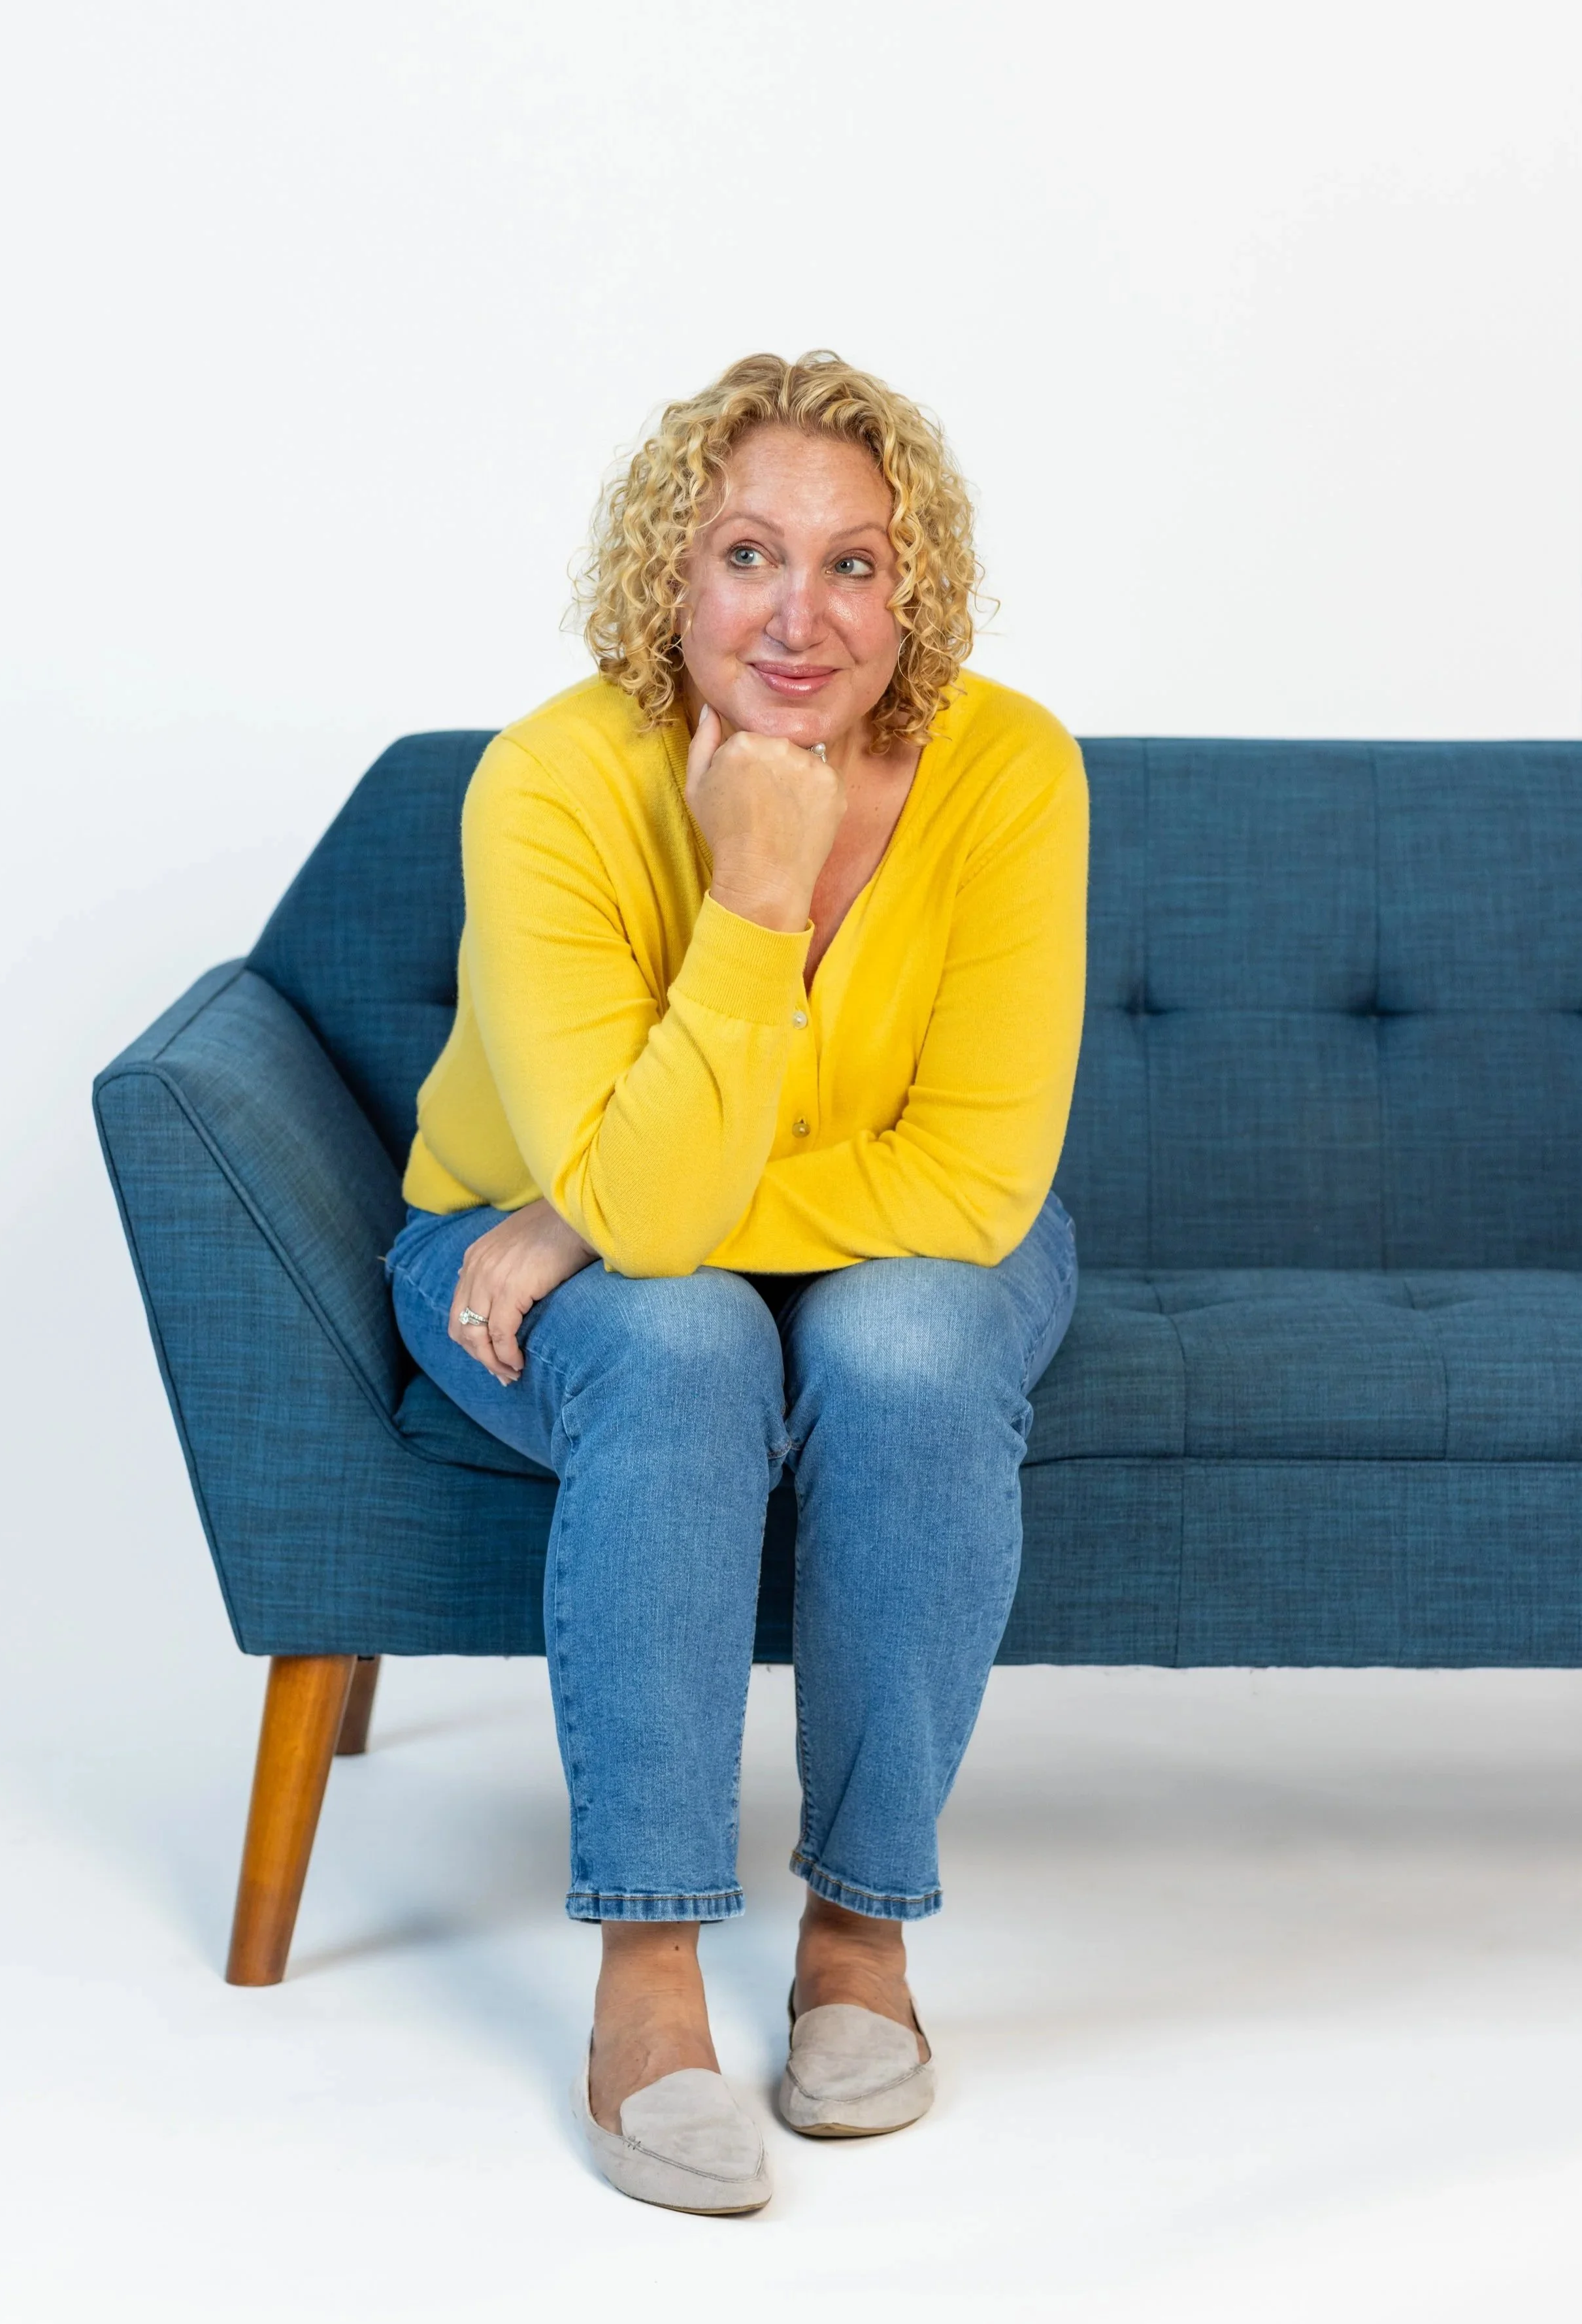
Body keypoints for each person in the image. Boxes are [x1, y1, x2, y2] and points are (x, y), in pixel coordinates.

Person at [385, 351, 1088, 2213]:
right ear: (667, 579)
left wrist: (605, 1207)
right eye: (749, 555)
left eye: (856, 565)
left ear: (913, 589)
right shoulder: (552, 783)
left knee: (919, 1345)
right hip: (536, 1243)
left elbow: (972, 1175)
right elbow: (646, 1207)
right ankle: (648, 1969)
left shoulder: (1007, 767)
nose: (800, 617)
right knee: (687, 1338)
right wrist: (757, 891)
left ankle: (861, 1937)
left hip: (872, 1233)